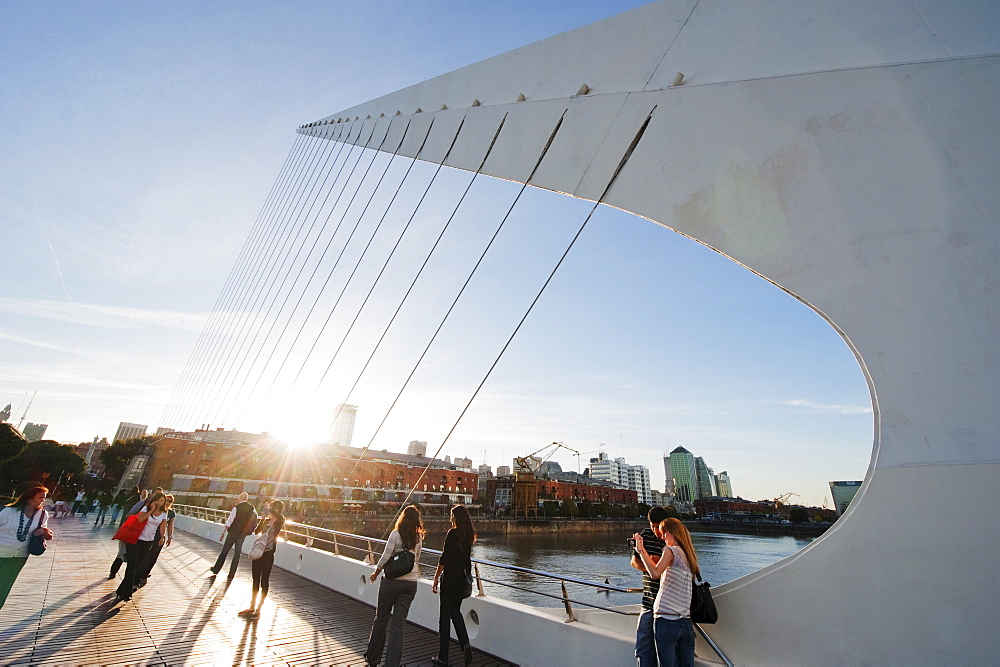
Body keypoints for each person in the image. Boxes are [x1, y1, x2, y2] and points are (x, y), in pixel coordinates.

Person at [633, 518, 701, 667]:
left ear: (673, 533)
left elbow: (655, 573)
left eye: (664, 533)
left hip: (666, 619)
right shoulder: (689, 555)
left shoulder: (670, 550)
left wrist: (640, 550)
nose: (662, 537)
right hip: (685, 620)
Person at [364, 505, 424, 667]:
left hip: (391, 583)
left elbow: (385, 557)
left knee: (381, 619)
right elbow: (416, 559)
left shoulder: (395, 534)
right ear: (416, 521)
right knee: (399, 625)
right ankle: (392, 663)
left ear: (402, 518)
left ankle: (373, 658)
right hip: (410, 584)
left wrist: (376, 573)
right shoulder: (418, 538)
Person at [431, 505, 476, 666]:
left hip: (450, 579)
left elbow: (444, 558)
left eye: (452, 516)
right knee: (455, 611)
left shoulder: (452, 534)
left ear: (456, 518)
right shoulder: (468, 536)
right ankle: (465, 644)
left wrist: (436, 578)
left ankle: (443, 656)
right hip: (462, 581)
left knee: (444, 617)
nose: (450, 519)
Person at [0, 486, 53, 610]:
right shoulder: (9, 511)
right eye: (40, 498)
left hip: (19, 557)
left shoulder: (42, 514)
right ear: (29, 499)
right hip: (1, 551)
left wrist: (44, 532)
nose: (43, 501)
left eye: (44, 498)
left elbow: (45, 532)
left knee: (3, 587)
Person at [631, 506, 670, 667]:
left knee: (666, 654)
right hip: (648, 602)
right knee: (643, 649)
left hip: (668, 605)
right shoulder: (646, 535)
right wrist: (652, 567)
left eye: (657, 526)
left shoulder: (672, 540)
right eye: (652, 526)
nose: (654, 530)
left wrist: (654, 566)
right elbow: (634, 562)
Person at [115, 491, 168, 603]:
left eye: (162, 501)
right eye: (158, 500)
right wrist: (152, 510)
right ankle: (126, 594)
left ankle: (121, 590)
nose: (159, 503)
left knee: (137, 566)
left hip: (148, 542)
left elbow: (162, 527)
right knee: (132, 565)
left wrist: (162, 537)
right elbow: (140, 519)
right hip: (136, 540)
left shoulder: (164, 513)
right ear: (154, 500)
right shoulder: (146, 508)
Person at [239, 499, 285, 618]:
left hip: (268, 555)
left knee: (264, 580)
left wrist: (268, 508)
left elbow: (279, 516)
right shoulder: (267, 520)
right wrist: (263, 519)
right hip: (259, 553)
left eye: (272, 507)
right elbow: (256, 531)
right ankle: (252, 606)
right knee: (255, 580)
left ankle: (259, 608)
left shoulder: (280, 521)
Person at [211, 492, 257, 580]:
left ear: (240, 498)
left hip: (233, 532)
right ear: (247, 499)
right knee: (237, 553)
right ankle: (232, 573)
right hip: (242, 534)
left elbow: (230, 521)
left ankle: (216, 569)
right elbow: (255, 519)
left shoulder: (236, 508)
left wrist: (223, 532)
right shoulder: (252, 508)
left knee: (225, 551)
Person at [138, 494, 175, 586]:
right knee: (145, 556)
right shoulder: (153, 509)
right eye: (167, 500)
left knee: (153, 557)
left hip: (159, 536)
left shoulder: (169, 513)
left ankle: (145, 575)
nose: (168, 502)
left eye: (170, 501)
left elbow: (169, 525)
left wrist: (169, 537)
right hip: (148, 535)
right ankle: (138, 575)